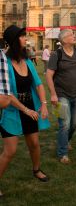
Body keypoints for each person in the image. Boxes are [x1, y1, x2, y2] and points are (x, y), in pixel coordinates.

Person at [0, 25, 50, 197]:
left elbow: (38, 84)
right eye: (22, 37)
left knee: (34, 144)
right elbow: (7, 94)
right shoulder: (4, 63)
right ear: (14, 41)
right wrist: (26, 111)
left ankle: (36, 170)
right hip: (11, 110)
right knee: (10, 151)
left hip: (29, 105)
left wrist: (43, 104)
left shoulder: (27, 61)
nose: (25, 39)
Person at [46, 29, 76, 164]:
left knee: (74, 124)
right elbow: (49, 75)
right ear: (63, 40)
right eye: (71, 35)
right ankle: (63, 153)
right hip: (61, 95)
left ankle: (67, 140)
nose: (74, 36)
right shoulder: (56, 54)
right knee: (64, 124)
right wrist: (53, 94)